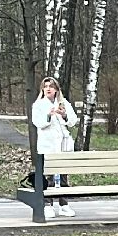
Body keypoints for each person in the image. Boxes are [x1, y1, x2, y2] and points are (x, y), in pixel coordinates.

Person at [31, 77, 77, 217]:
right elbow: (37, 122)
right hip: (48, 144)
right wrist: (49, 115)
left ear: (56, 89)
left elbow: (73, 121)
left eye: (51, 86)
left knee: (63, 176)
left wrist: (64, 115)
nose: (48, 89)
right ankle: (47, 205)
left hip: (63, 145)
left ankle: (64, 205)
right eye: (45, 86)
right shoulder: (39, 105)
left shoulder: (63, 103)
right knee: (49, 176)